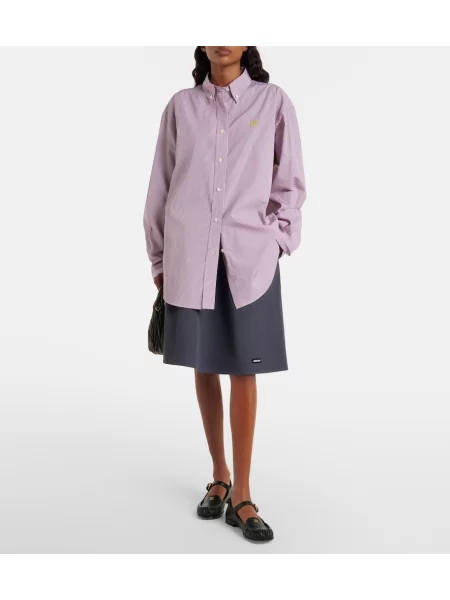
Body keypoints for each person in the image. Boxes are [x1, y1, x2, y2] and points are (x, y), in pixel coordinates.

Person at [143, 46, 307, 542]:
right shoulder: (181, 106)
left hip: (249, 261)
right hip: (190, 257)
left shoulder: (272, 102)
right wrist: (160, 259)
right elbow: (160, 186)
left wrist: (276, 242)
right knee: (205, 365)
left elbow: (290, 185)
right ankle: (220, 476)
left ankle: (243, 495)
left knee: (244, 370)